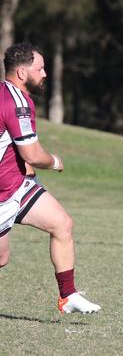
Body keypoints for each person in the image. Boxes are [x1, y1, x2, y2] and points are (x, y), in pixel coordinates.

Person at [1, 43, 101, 314]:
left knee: (62, 224)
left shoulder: (5, 96)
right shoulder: (18, 102)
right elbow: (32, 154)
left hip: (17, 186)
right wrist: (55, 162)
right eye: (40, 68)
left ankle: (68, 295)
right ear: (22, 73)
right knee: (2, 258)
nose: (45, 74)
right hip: (3, 192)